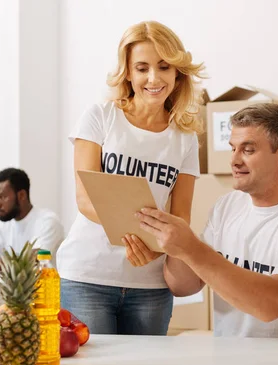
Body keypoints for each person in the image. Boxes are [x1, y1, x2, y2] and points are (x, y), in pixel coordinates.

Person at [56, 21, 205, 335]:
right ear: (127, 73)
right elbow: (85, 198)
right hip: (87, 278)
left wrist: (157, 249)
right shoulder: (100, 117)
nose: (153, 78)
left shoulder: (185, 139)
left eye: (164, 67)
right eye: (142, 68)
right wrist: (143, 238)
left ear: (177, 73)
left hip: (150, 285)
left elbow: (181, 214)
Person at [136, 103, 278, 338]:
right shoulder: (226, 207)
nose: (234, 161)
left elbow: (273, 304)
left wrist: (191, 248)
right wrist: (176, 245)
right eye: (233, 149)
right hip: (232, 363)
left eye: (248, 150)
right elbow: (184, 286)